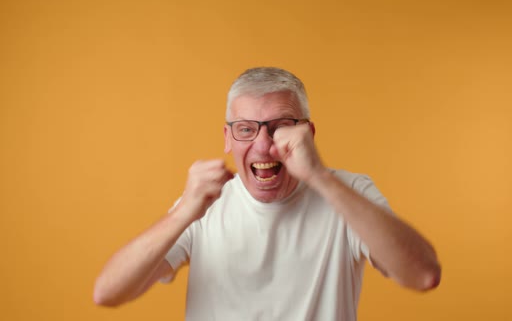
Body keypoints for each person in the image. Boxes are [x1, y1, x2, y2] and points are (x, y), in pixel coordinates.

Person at [93, 67, 441, 320]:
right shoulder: (204, 205)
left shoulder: (348, 193)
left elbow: (423, 274)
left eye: (280, 128)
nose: (263, 146)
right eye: (246, 129)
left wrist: (319, 177)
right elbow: (108, 292)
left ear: (309, 133)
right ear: (228, 138)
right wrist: (183, 212)